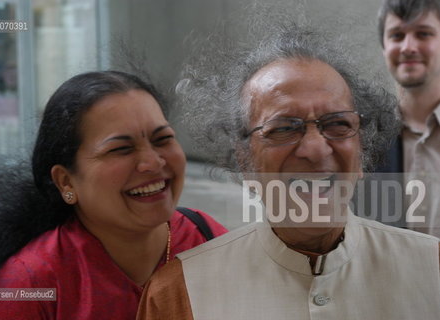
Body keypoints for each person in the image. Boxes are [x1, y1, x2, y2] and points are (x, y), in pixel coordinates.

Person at [136, 20, 440, 320]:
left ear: (360, 150)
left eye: (337, 124)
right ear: (244, 159)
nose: (316, 149)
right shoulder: (180, 293)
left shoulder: (431, 268)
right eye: (283, 128)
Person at [0, 71, 227, 319]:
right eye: (121, 149)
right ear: (66, 182)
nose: (152, 162)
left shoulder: (209, 241)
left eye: (162, 139)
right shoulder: (28, 284)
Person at [377, 0, 440, 236]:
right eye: (397, 35)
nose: (408, 47)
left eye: (423, 34)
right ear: (384, 47)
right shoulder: (363, 136)